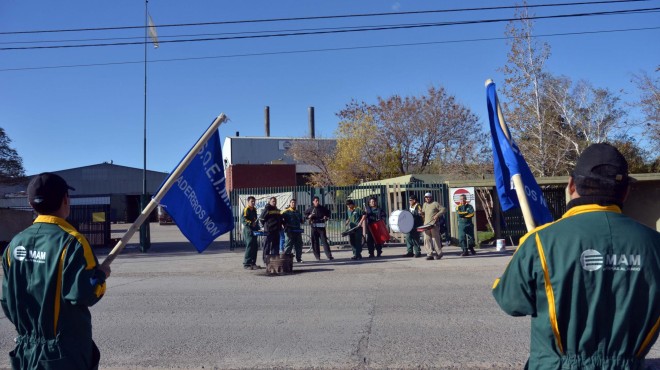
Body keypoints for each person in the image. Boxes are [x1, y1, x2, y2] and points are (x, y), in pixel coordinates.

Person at [492, 143, 660, 369]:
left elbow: (512, 303)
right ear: (626, 191)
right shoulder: (655, 244)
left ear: (571, 185)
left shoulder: (540, 242)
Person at [1, 172, 111, 369]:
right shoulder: (73, 242)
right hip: (65, 351)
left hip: (26, 349)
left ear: (30, 203)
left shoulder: (14, 244)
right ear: (65, 200)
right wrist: (101, 275)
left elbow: (6, 300)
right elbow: (86, 294)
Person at [304, 196, 334, 261]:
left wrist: (326, 217)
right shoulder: (310, 209)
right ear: (313, 202)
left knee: (324, 241)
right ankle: (317, 257)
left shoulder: (323, 208)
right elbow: (305, 215)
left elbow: (328, 213)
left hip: (321, 226)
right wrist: (309, 216)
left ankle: (329, 256)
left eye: (318, 200)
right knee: (315, 242)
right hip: (314, 227)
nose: (317, 202)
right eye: (316, 201)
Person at [421, 192, 445, 260]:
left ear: (431, 197)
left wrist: (437, 215)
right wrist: (421, 213)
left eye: (429, 197)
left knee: (435, 239)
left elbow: (443, 209)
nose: (427, 198)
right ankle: (429, 254)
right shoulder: (424, 204)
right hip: (426, 224)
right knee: (426, 239)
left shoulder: (435, 203)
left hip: (434, 224)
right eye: (426, 197)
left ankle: (439, 253)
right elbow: (423, 213)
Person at [259, 197, 282, 264]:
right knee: (267, 246)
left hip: (276, 230)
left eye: (275, 201)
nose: (274, 202)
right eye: (273, 201)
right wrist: (267, 226)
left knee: (276, 246)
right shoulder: (267, 209)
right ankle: (266, 260)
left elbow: (280, 219)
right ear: (270, 202)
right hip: (269, 231)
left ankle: (274, 260)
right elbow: (261, 219)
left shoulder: (277, 210)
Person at [241, 196, 262, 270]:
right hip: (248, 230)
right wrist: (250, 223)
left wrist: (258, 228)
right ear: (248, 202)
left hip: (254, 230)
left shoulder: (254, 210)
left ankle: (253, 263)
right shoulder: (246, 209)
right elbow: (243, 220)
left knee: (255, 247)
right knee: (249, 246)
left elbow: (255, 220)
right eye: (251, 201)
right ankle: (246, 264)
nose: (253, 203)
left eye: (254, 201)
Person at [281, 199, 304, 263]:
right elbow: (280, 219)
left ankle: (298, 258)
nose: (293, 204)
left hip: (297, 231)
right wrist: (284, 225)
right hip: (289, 231)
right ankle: (286, 259)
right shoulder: (286, 211)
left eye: (294, 202)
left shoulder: (297, 212)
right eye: (292, 202)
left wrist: (303, 220)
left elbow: (301, 220)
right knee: (288, 245)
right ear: (290, 203)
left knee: (299, 245)